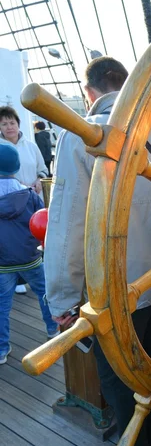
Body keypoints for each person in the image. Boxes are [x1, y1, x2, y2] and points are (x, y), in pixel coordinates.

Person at [44, 56, 151, 446]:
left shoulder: (81, 136)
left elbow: (69, 221)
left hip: (115, 286)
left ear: (90, 92)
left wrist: (61, 295)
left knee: (118, 372)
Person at [0, 143, 59, 365]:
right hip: (30, 257)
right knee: (45, 293)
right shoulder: (28, 195)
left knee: (2, 305)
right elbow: (43, 219)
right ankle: (53, 329)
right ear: (15, 167)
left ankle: (1, 349)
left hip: (2, 263)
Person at [0, 106, 49, 294]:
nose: (9, 126)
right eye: (4, 123)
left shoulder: (31, 145)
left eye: (12, 122)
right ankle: (19, 277)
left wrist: (38, 180)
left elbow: (42, 168)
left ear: (18, 124)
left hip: (30, 198)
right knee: (13, 236)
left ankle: (25, 269)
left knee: (29, 235)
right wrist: (16, 184)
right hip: (8, 200)